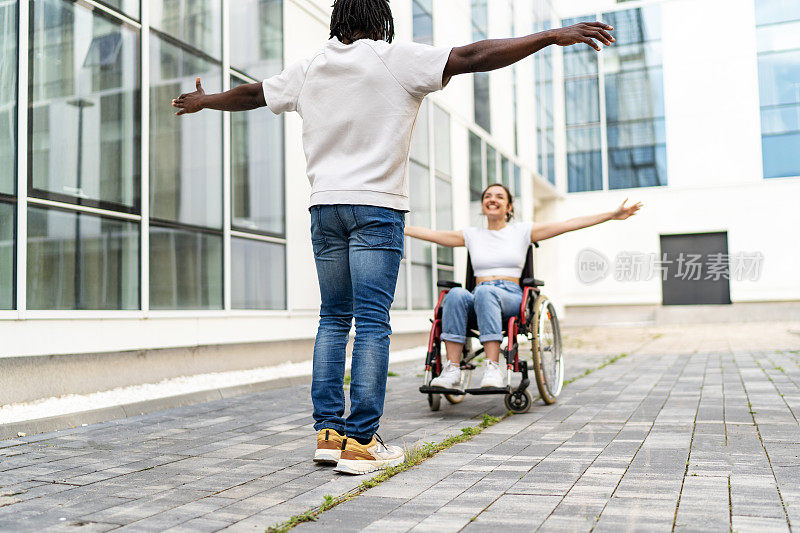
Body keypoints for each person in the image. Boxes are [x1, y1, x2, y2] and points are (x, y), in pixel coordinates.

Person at [171, 0, 615, 475]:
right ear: (379, 19)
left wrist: (205, 101)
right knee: (371, 321)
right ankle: (361, 441)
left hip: (325, 208)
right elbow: (472, 57)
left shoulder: (309, 68)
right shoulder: (394, 57)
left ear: (338, 18)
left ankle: (329, 432)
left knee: (333, 318)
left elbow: (254, 94)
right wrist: (549, 37)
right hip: (376, 209)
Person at [405, 183, 642, 389]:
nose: (492, 199)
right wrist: (397, 226)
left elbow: (568, 223)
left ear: (509, 207)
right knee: (456, 294)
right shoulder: (472, 234)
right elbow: (432, 234)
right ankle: (452, 369)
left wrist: (612, 214)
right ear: (482, 206)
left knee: (486, 292)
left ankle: (493, 367)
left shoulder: (522, 231)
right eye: (488, 196)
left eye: (499, 196)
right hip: (479, 295)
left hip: (510, 297)